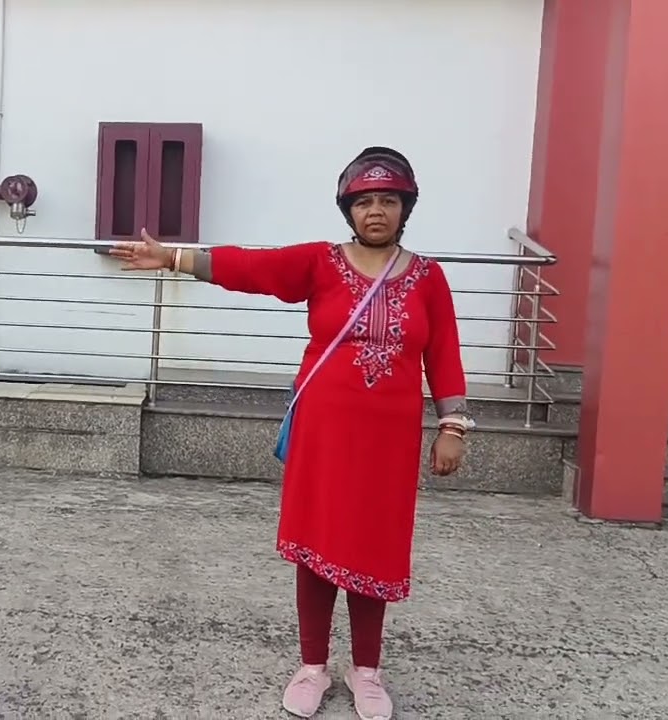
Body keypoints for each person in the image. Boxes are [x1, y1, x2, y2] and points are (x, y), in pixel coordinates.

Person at [110, 146, 471, 720]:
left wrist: (452, 426)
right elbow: (254, 268)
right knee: (318, 545)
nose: (376, 211)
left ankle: (368, 671)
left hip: (390, 443)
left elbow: (445, 356)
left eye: (388, 201)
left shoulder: (430, 278)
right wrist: (174, 258)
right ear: (347, 210)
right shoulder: (320, 264)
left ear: (406, 208)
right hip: (323, 435)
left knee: (376, 549)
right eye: (365, 202)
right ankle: (311, 666)